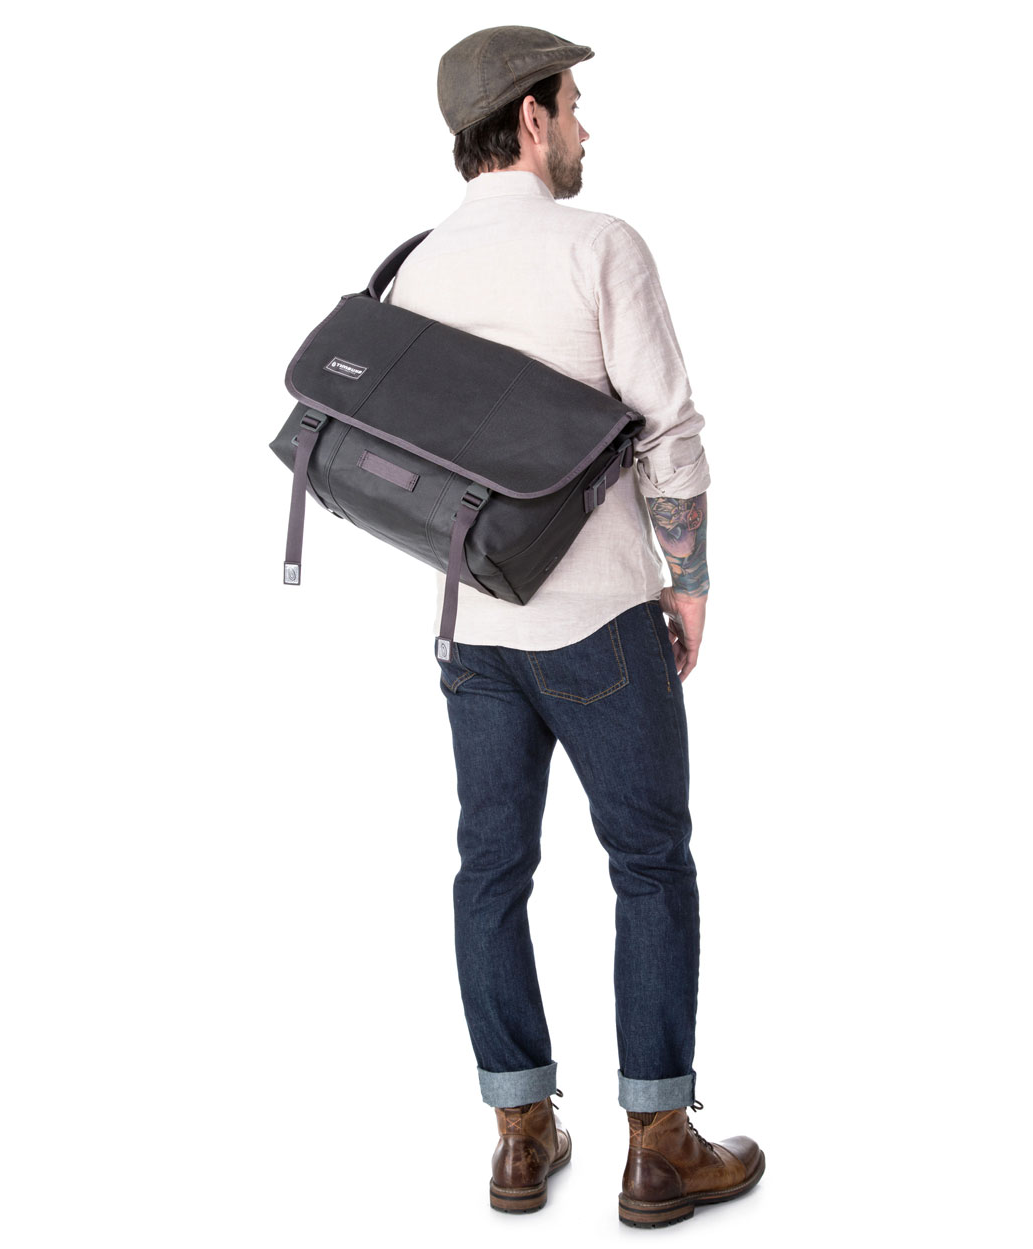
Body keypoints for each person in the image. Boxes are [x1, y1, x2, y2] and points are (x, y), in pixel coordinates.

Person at [387, 26, 763, 1228]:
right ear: (531, 119)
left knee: (490, 869)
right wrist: (688, 580)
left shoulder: (413, 269)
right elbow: (670, 430)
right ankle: (658, 1146)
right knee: (648, 863)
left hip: (471, 626)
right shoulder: (600, 245)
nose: (586, 125)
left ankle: (518, 1135)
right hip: (601, 620)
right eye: (574, 102)